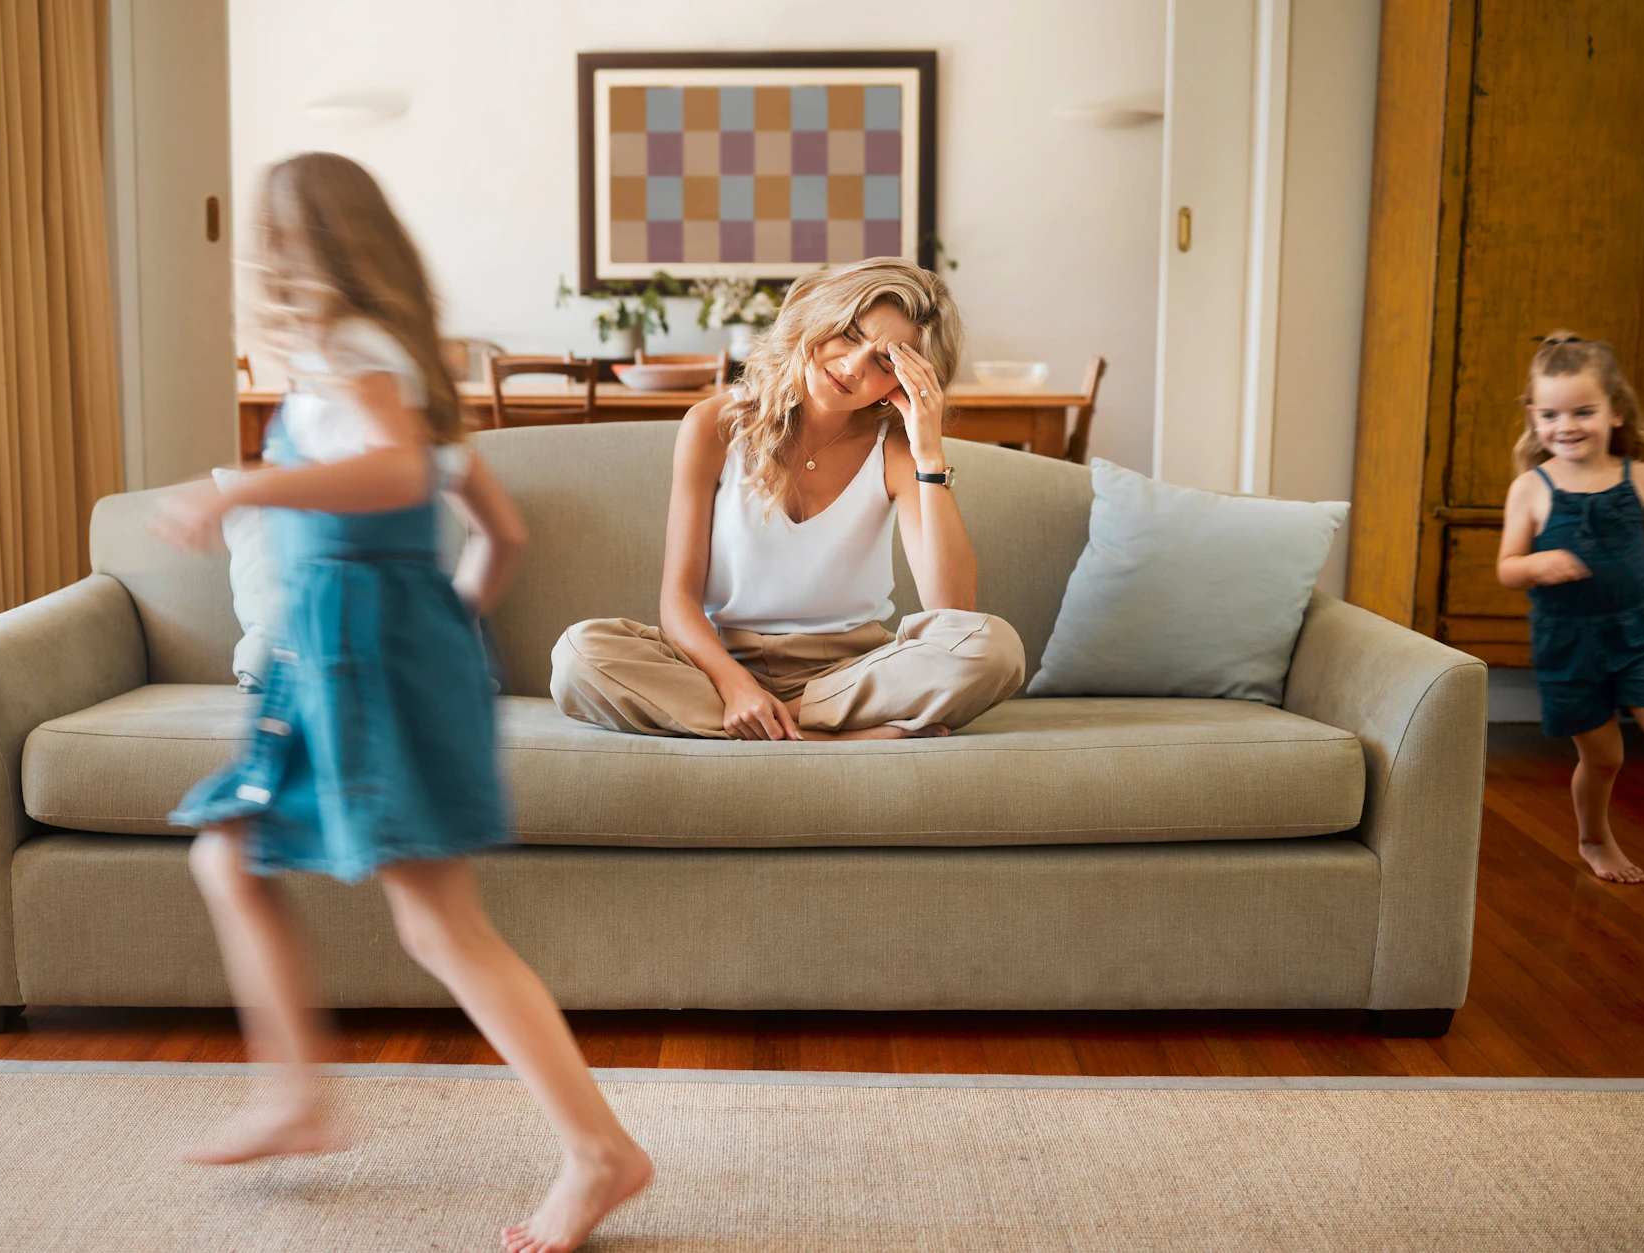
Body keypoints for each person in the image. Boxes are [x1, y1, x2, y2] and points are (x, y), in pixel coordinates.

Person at [152, 152, 650, 1253]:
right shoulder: (403, 365)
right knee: (228, 852)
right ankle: (294, 1095)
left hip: (361, 656)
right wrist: (441, 642)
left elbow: (386, 475)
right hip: (356, 655)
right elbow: (501, 535)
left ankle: (597, 1149)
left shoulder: (348, 355)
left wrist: (241, 484)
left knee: (440, 923)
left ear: (296, 250)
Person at [550, 257, 1025, 741]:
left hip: (850, 672)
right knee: (579, 653)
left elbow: (952, 611)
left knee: (994, 648)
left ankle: (779, 723)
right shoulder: (714, 426)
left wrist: (928, 451)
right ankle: (834, 737)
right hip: (720, 667)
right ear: (820, 318)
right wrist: (736, 687)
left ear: (903, 381)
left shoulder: (898, 449)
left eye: (885, 362)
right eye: (850, 334)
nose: (851, 367)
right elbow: (678, 602)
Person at [1496, 330, 1644, 884]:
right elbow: (1507, 567)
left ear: (1616, 411)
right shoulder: (1531, 488)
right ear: (1532, 415)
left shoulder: (1642, 480)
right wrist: (1536, 566)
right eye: (1550, 414)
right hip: (1569, 645)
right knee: (1604, 760)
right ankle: (1594, 838)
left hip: (1637, 639)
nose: (1565, 426)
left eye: (1583, 411)